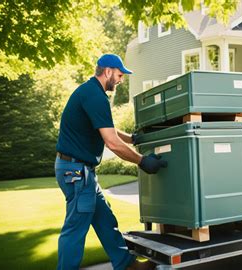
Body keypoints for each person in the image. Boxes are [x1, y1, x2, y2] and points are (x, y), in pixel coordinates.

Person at [55, 54, 166, 270]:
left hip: (80, 171)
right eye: (119, 74)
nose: (121, 79)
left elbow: (110, 130)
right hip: (77, 172)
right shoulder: (95, 96)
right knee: (75, 230)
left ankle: (128, 266)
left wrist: (133, 139)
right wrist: (143, 161)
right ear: (107, 71)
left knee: (106, 221)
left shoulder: (91, 92)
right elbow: (112, 142)